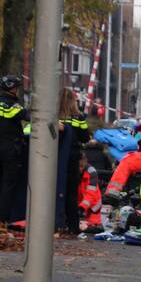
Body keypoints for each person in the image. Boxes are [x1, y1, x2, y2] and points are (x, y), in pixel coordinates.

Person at [0, 75, 29, 223]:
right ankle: (4, 218)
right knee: (9, 183)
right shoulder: (12, 106)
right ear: (13, 89)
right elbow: (28, 116)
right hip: (10, 150)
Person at [59, 88, 89, 233]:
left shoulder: (54, 116)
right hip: (72, 158)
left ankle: (57, 222)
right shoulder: (79, 117)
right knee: (71, 193)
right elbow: (85, 137)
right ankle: (73, 226)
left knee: (56, 190)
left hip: (55, 158)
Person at [77, 156, 102, 228]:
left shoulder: (91, 174)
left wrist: (81, 208)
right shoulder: (75, 173)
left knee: (93, 227)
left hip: (93, 206)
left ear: (85, 161)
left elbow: (91, 194)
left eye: (81, 166)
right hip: (82, 203)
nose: (80, 169)